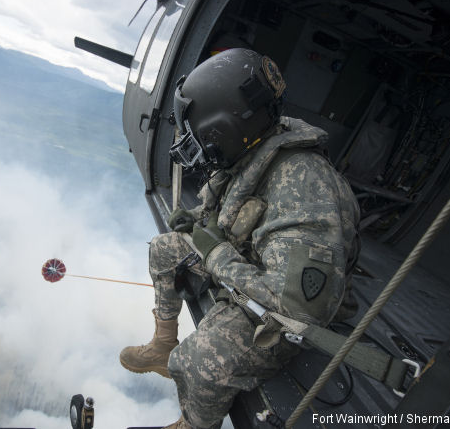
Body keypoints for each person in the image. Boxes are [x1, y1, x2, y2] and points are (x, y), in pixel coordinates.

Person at [119, 48, 360, 429]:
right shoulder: (254, 150)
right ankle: (164, 341)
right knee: (164, 249)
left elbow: (299, 308)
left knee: (195, 363)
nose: (193, 144)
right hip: (251, 263)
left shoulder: (303, 185)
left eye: (199, 135)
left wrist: (217, 257)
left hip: (286, 309)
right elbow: (231, 211)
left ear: (225, 129)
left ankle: (195, 423)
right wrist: (196, 222)